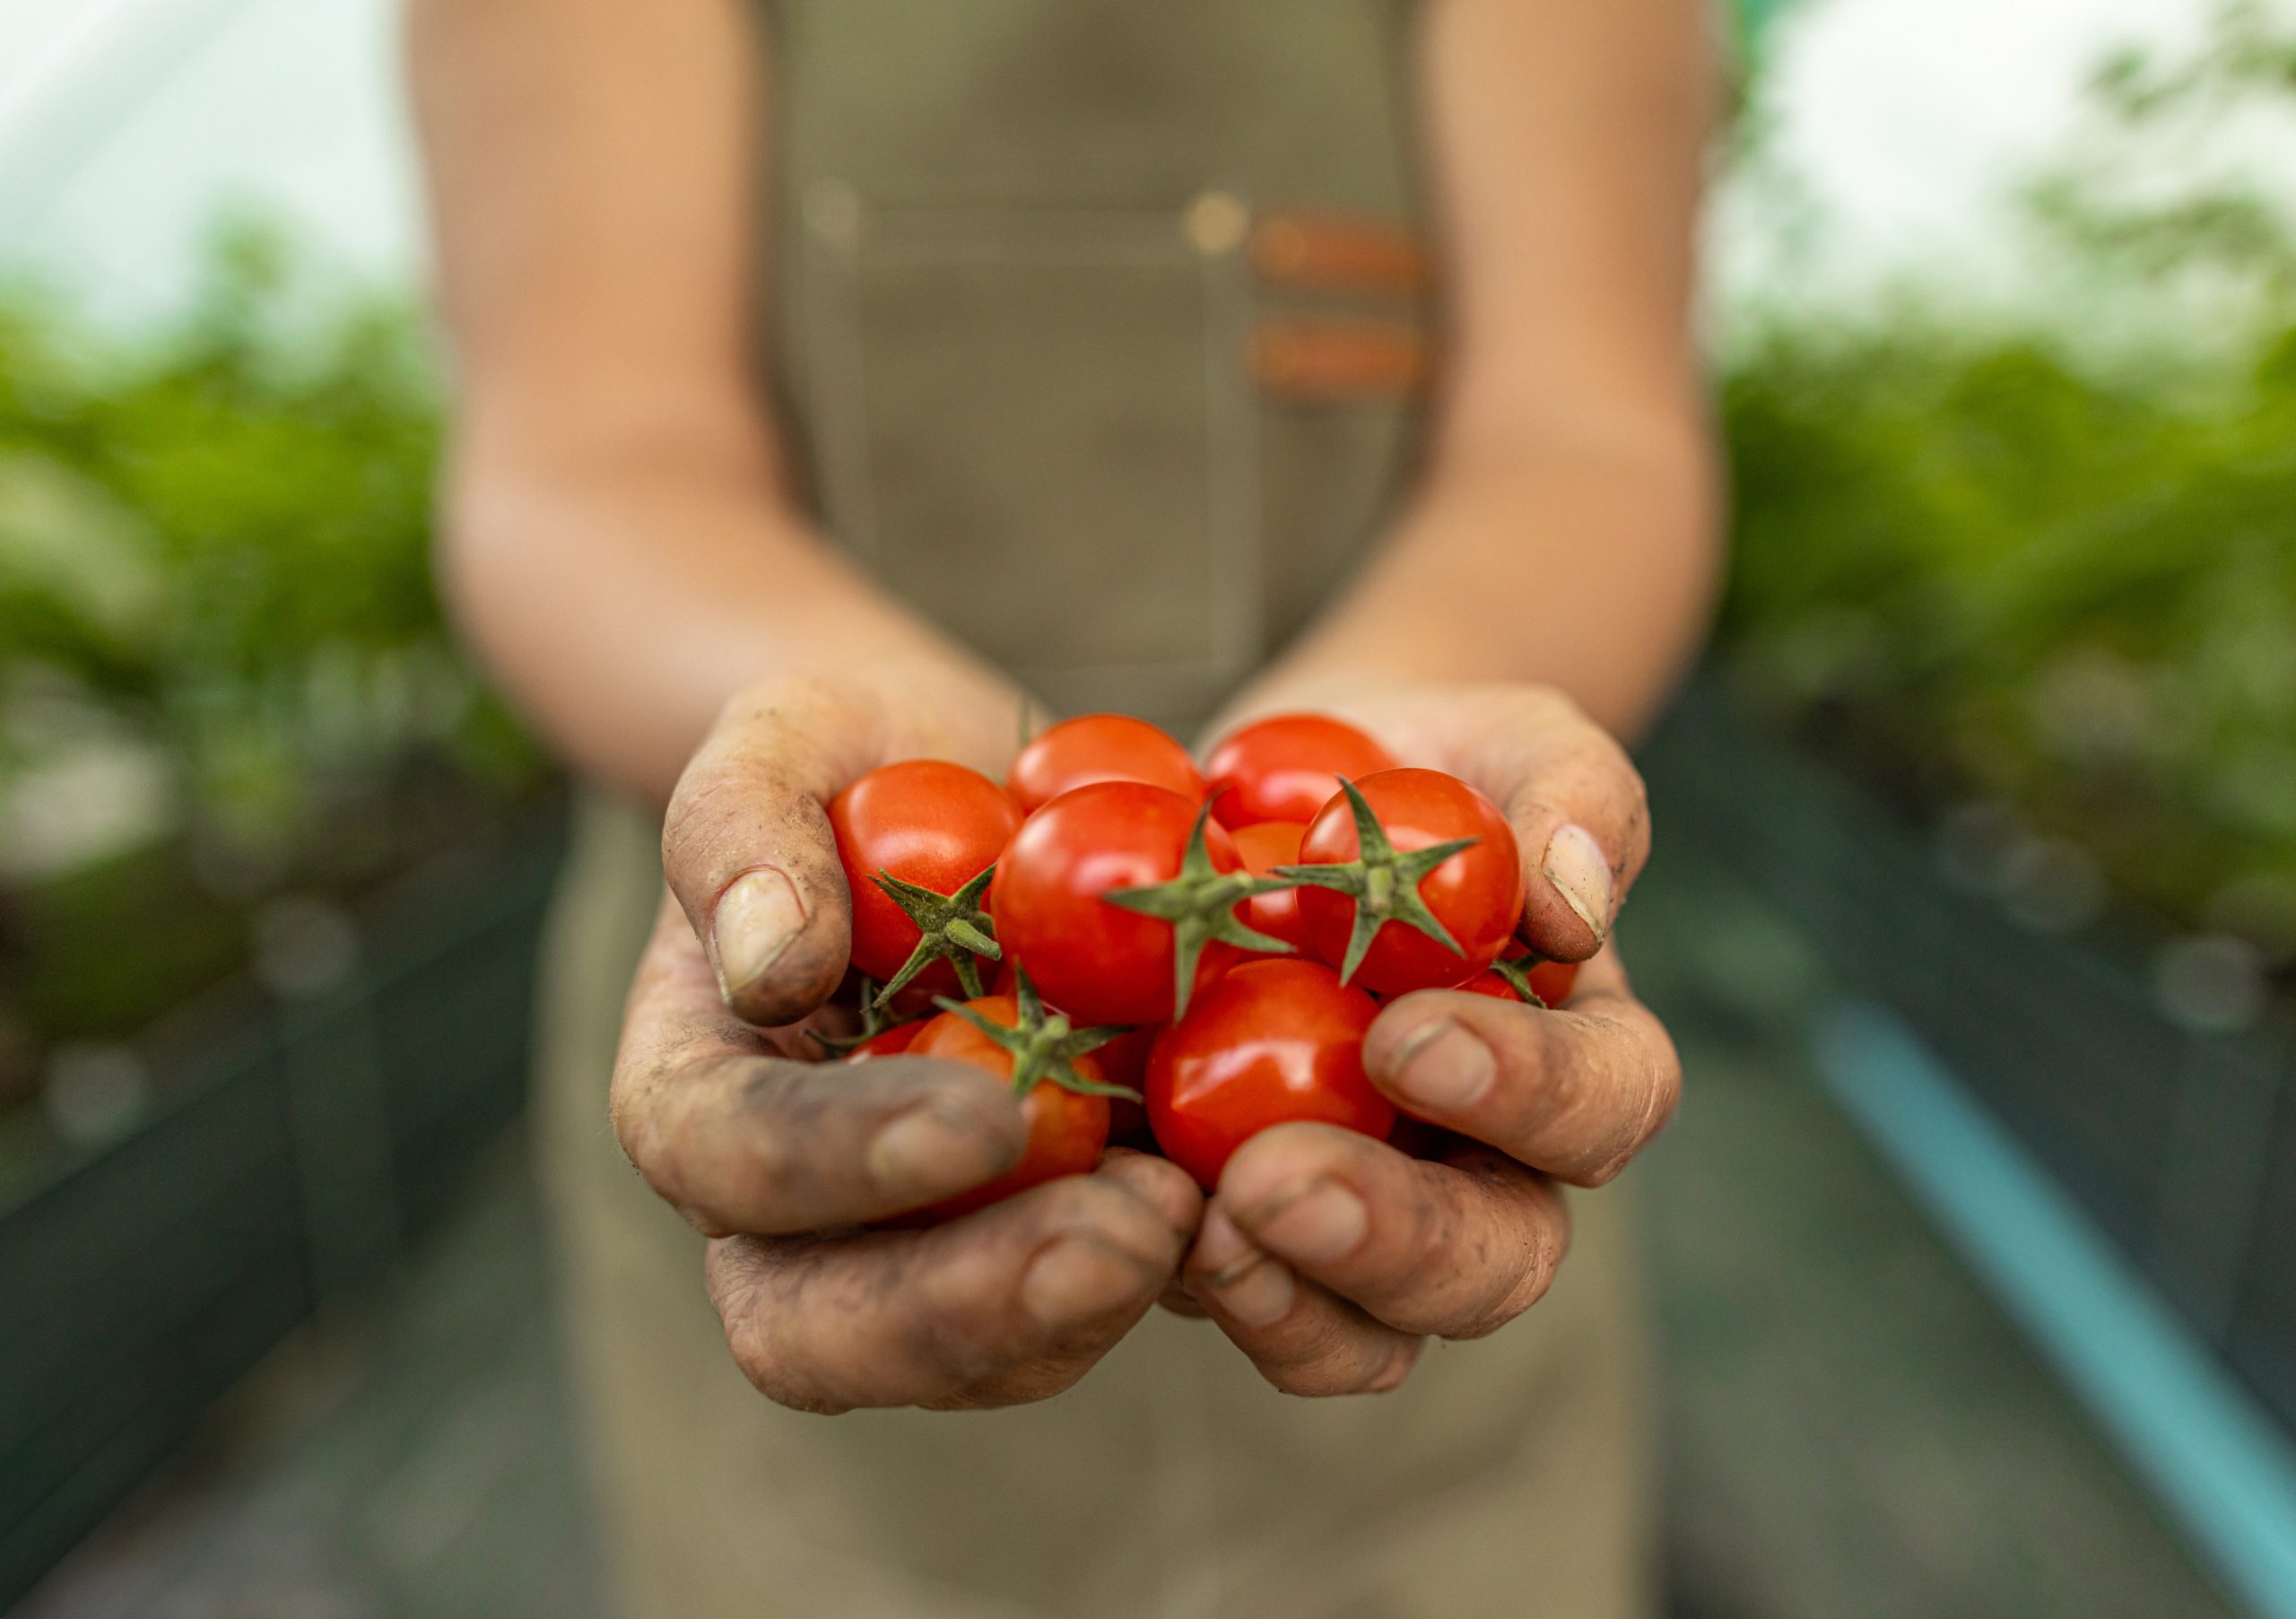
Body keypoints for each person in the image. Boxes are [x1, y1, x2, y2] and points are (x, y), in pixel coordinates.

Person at [410, 0, 1718, 1614]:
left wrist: (1397, 777)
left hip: (1383, 1086)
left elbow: (1588, 433)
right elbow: (584, 460)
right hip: (849, 1016)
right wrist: (824, 768)